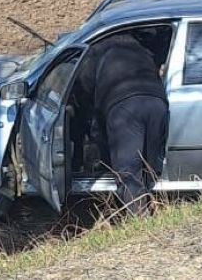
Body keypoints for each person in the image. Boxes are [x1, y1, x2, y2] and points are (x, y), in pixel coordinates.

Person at [71, 30, 170, 215]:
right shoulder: (139, 47)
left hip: (125, 109)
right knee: (150, 165)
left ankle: (140, 222)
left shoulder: (95, 50)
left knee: (128, 173)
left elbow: (84, 92)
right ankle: (155, 206)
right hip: (157, 102)